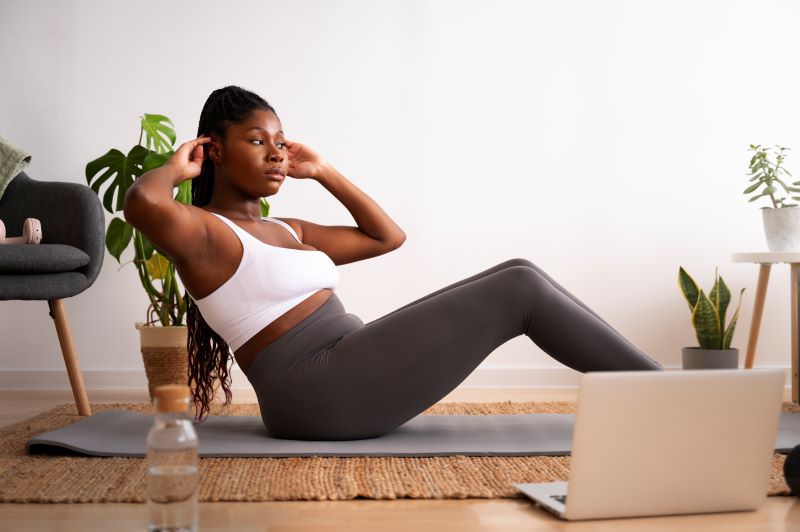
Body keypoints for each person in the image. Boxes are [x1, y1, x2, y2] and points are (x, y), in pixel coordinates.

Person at [123, 85, 662, 441]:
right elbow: (144, 203)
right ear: (213, 150)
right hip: (315, 391)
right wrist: (177, 166)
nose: (276, 154)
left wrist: (326, 171)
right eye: (257, 141)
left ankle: (667, 393)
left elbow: (387, 237)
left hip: (347, 365)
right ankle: (673, 396)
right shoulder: (206, 235)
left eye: (281, 144)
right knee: (519, 288)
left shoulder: (288, 228)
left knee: (519, 269)